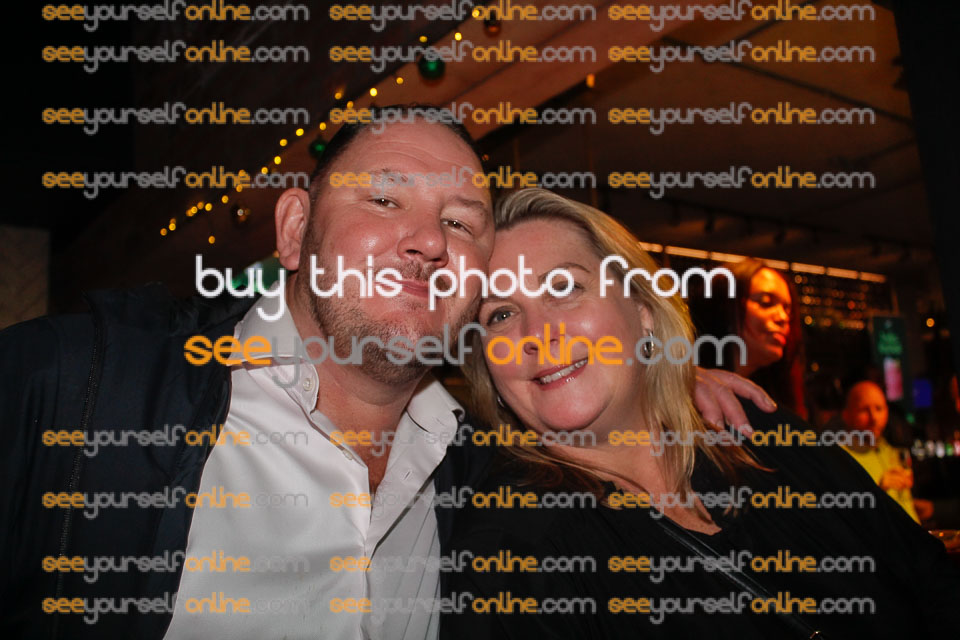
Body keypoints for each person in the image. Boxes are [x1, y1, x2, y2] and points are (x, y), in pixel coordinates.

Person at [0, 107, 771, 639]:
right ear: (296, 229)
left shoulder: (479, 474)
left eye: (460, 221)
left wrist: (656, 380)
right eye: (384, 198)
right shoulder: (78, 388)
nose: (427, 241)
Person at [443, 189, 960, 638]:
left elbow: (926, 574)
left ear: (642, 310)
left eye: (564, 288)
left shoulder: (757, 429)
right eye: (501, 314)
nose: (536, 335)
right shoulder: (511, 561)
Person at [690, 257, 807, 417]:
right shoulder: (685, 390)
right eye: (766, 303)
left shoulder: (775, 403)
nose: (783, 317)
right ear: (724, 307)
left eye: (787, 310)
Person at [840, 380, 929, 523]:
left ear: (887, 412)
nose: (874, 418)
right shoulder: (839, 457)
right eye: (864, 410)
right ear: (846, 415)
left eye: (879, 408)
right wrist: (879, 489)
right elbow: (843, 517)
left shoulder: (891, 451)